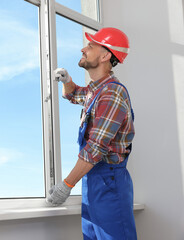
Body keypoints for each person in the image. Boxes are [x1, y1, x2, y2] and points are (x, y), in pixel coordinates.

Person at [47, 27, 137, 240]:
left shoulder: (112, 93)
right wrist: (67, 80)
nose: (83, 48)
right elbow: (74, 95)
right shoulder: (96, 90)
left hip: (109, 182)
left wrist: (67, 185)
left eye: (90, 46)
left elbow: (94, 149)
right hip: (93, 180)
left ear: (106, 55)